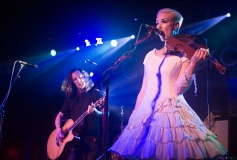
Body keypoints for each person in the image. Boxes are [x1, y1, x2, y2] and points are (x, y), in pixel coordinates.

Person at [110, 8, 227, 160]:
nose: (158, 26)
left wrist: (193, 65)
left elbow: (179, 89)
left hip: (171, 110)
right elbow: (144, 89)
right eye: (157, 22)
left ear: (176, 26)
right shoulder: (150, 55)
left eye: (164, 22)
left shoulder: (183, 56)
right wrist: (134, 115)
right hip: (145, 112)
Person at [55, 68, 104, 160]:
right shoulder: (71, 98)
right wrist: (58, 129)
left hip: (92, 141)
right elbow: (59, 115)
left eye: (80, 77)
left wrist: (96, 112)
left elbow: (106, 113)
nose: (78, 81)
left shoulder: (95, 93)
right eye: (75, 79)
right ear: (72, 82)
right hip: (74, 143)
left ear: (84, 77)